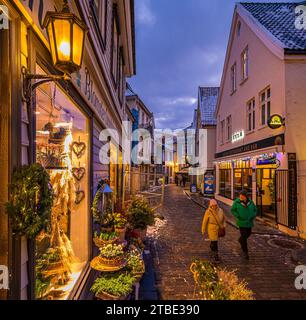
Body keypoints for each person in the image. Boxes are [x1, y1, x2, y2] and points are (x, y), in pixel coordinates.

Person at [231, 190, 257, 260]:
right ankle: (245, 252)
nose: (240, 197)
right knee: (244, 237)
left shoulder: (251, 202)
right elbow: (233, 210)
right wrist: (238, 216)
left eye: (242, 196)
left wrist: (253, 215)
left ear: (245, 196)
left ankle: (240, 240)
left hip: (249, 222)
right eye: (240, 196)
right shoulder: (237, 202)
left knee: (249, 233)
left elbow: (255, 209)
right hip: (241, 222)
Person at [201, 199, 226, 263]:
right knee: (215, 242)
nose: (214, 206)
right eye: (212, 205)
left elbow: (224, 219)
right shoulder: (208, 212)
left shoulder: (220, 210)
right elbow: (205, 221)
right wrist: (203, 229)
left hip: (219, 228)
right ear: (210, 205)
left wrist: (224, 226)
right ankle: (215, 255)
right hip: (211, 228)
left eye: (215, 205)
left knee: (214, 242)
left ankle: (212, 248)